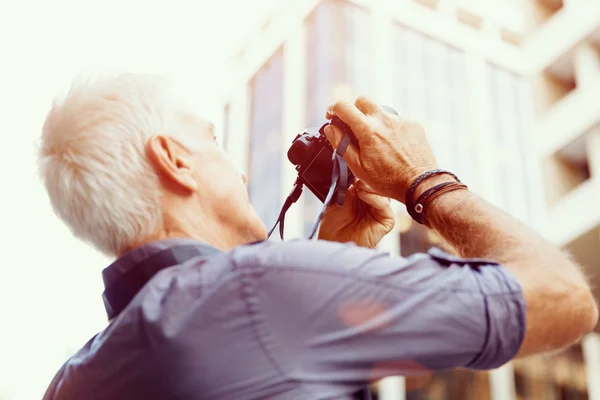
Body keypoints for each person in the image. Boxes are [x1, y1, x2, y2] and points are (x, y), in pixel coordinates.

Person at [38, 74, 597, 400]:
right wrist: (422, 181)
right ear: (174, 160)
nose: (239, 172)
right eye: (213, 139)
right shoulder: (259, 289)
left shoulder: (70, 382)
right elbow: (562, 299)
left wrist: (329, 261)